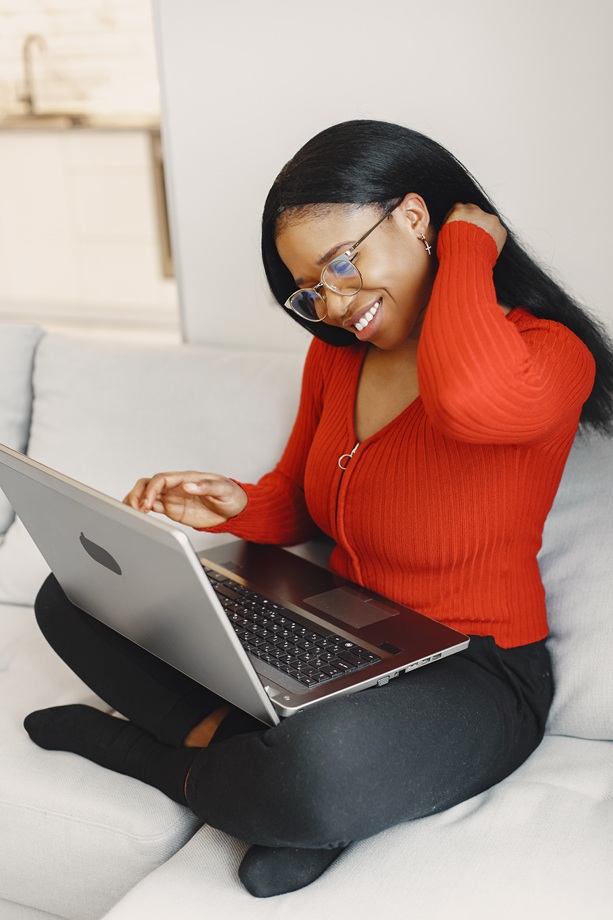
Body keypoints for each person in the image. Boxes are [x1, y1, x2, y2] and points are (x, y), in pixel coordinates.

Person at [24, 120, 613, 898]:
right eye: (312, 286)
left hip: (473, 667)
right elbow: (301, 504)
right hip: (337, 631)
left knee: (316, 770)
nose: (333, 303)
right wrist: (234, 505)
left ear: (413, 218)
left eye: (343, 262)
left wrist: (471, 247)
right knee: (75, 591)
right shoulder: (335, 356)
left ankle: (174, 762)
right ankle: (263, 777)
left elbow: (471, 403)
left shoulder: (545, 353)